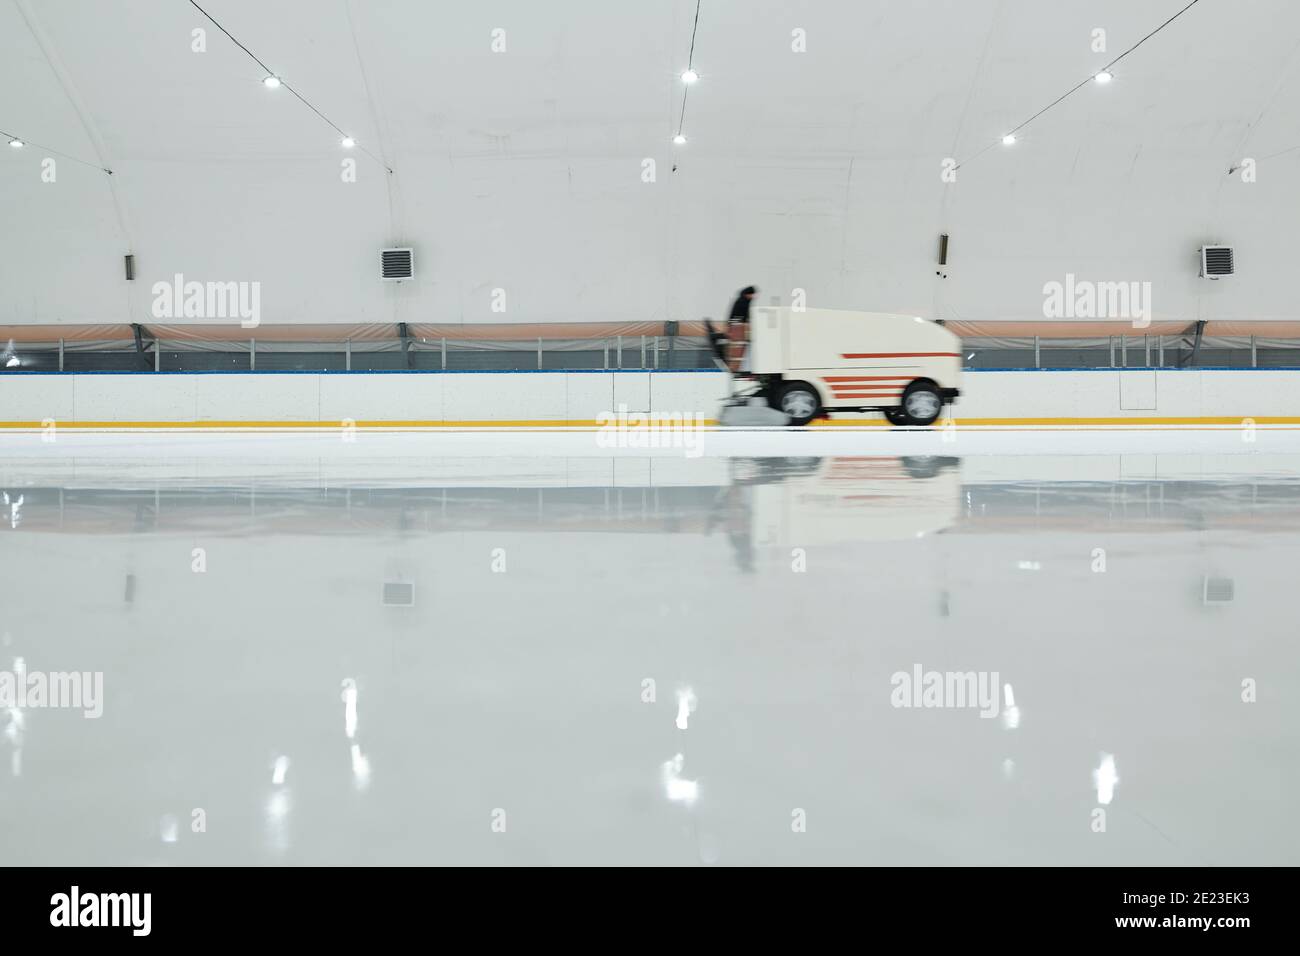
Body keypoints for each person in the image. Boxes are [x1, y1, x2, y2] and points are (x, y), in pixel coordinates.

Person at [725, 286, 756, 374]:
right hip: (737, 325)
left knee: (740, 347)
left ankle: (736, 368)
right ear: (748, 294)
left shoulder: (743, 300)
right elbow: (744, 315)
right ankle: (735, 369)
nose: (753, 297)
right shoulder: (742, 301)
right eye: (752, 295)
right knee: (738, 347)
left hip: (736, 324)